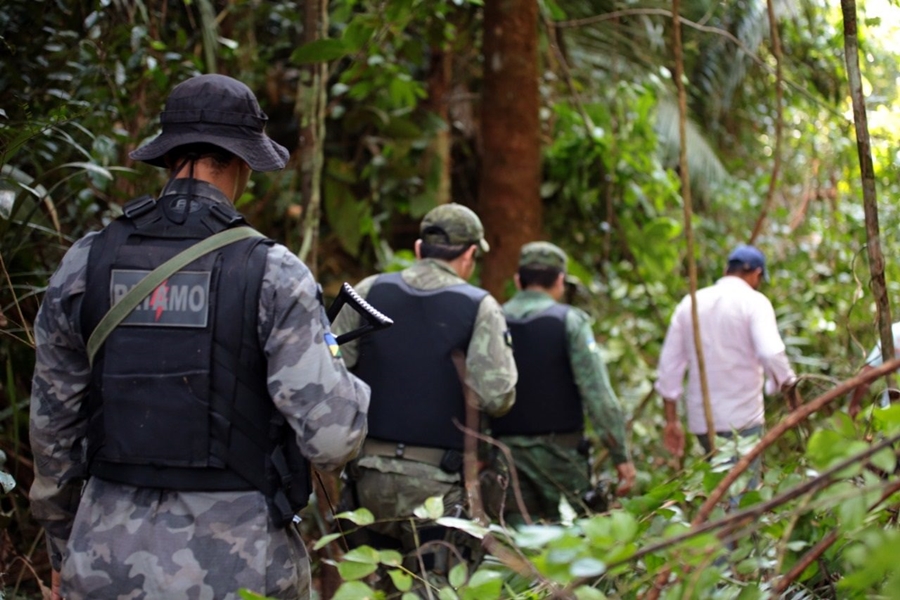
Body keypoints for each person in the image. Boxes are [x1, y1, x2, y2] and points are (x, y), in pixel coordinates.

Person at [29, 73, 370, 600]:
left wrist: (60, 547)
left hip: (103, 563)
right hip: (238, 568)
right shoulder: (273, 273)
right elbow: (331, 441)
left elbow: (52, 434)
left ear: (168, 157)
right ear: (240, 162)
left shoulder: (86, 262)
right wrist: (352, 390)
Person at [332, 203, 517, 587]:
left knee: (374, 589)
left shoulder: (368, 291)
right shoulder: (479, 307)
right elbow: (498, 397)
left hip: (367, 481)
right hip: (438, 487)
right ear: (469, 255)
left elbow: (328, 373)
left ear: (419, 248)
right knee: (432, 590)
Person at [488, 242, 636, 524]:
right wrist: (620, 455)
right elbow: (598, 395)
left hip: (506, 454)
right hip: (561, 457)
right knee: (577, 540)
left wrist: (482, 453)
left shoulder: (493, 319)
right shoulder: (570, 322)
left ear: (519, 280)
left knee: (519, 543)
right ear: (559, 281)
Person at [655, 244, 797, 483]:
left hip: (703, 421)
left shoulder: (690, 303)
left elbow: (669, 368)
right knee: (741, 495)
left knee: (720, 488)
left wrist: (671, 421)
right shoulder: (754, 302)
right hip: (742, 419)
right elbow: (771, 353)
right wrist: (789, 389)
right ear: (757, 274)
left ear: (726, 270)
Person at [849, 322, 900, 418]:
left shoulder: (895, 333)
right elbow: (869, 373)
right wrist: (854, 405)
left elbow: (868, 373)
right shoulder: (895, 334)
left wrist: (853, 405)